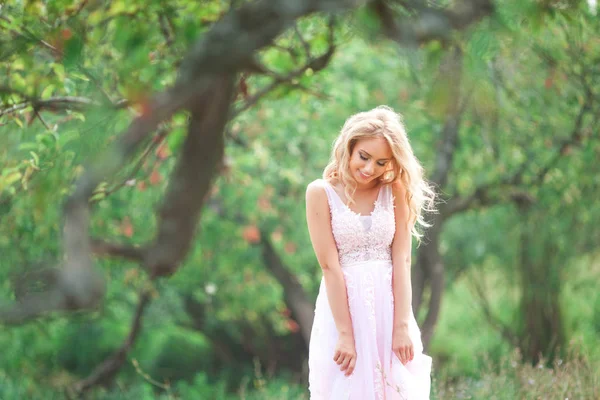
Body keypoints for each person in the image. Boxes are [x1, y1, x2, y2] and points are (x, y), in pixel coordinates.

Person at [305, 106, 435, 399]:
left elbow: (401, 259)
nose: (369, 169)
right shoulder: (320, 192)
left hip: (390, 307)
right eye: (364, 157)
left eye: (380, 162)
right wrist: (346, 335)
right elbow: (329, 266)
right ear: (349, 146)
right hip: (343, 310)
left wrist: (401, 325)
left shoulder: (396, 190)